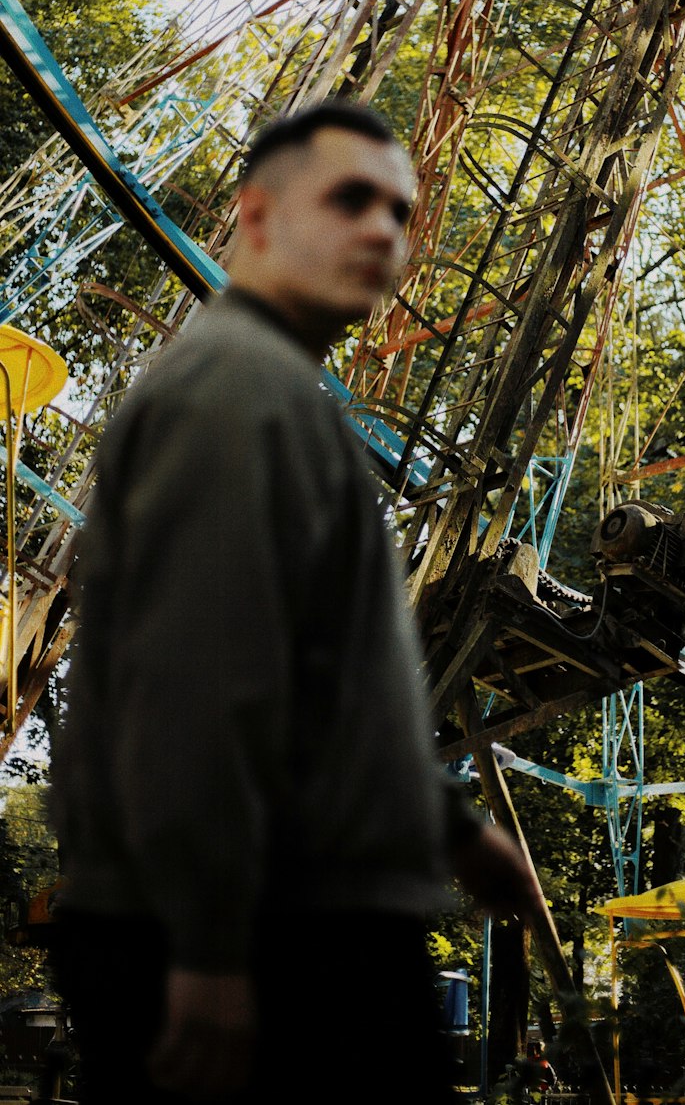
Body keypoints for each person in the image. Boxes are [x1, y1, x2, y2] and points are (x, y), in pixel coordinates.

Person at [49, 98, 543, 1104]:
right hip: (284, 943)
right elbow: (199, 685)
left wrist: (450, 831)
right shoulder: (236, 391)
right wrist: (210, 951)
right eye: (351, 199)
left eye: (399, 213)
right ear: (259, 218)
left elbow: (318, 689)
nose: (383, 232)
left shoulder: (272, 397)